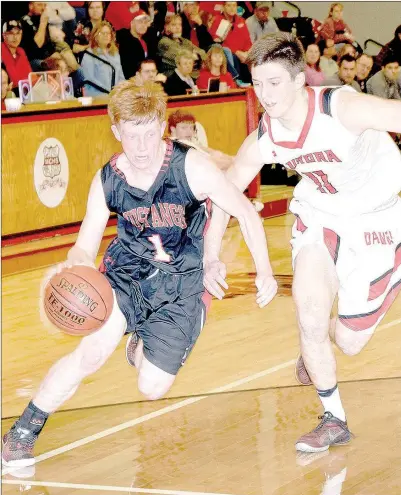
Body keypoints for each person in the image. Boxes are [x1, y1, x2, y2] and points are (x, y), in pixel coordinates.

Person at [2, 80, 277, 468]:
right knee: (91, 352)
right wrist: (75, 263)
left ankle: (144, 342)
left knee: (152, 387)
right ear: (117, 132)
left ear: (162, 126)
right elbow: (85, 242)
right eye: (133, 136)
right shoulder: (107, 179)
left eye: (151, 133)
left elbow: (245, 211)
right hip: (124, 277)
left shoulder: (190, 166)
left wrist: (264, 270)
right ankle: (22, 432)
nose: (144, 146)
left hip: (180, 285)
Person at [203, 32, 401, 453]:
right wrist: (209, 254)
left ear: (298, 81)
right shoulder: (266, 136)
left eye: (274, 82)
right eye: (258, 83)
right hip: (321, 215)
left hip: (376, 218)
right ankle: (334, 418)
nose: (265, 94)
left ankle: (322, 345)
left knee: (348, 342)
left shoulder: (341, 107)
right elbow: (227, 191)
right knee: (308, 308)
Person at [81, 21, 125, 96]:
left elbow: (120, 76)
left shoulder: (115, 54)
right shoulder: (89, 54)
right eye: (102, 33)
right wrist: (109, 92)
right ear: (95, 36)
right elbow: (89, 79)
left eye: (108, 33)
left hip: (114, 95)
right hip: (95, 93)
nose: (106, 36)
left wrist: (122, 90)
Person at [117, 9, 158, 80]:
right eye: (140, 22)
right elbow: (128, 69)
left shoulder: (147, 41)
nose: (143, 25)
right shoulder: (126, 42)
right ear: (132, 23)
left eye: (145, 23)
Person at [1, 20, 32, 95]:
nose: (15, 37)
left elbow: (30, 78)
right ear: (4, 35)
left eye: (18, 33)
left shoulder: (21, 51)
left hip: (24, 92)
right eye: (11, 33)